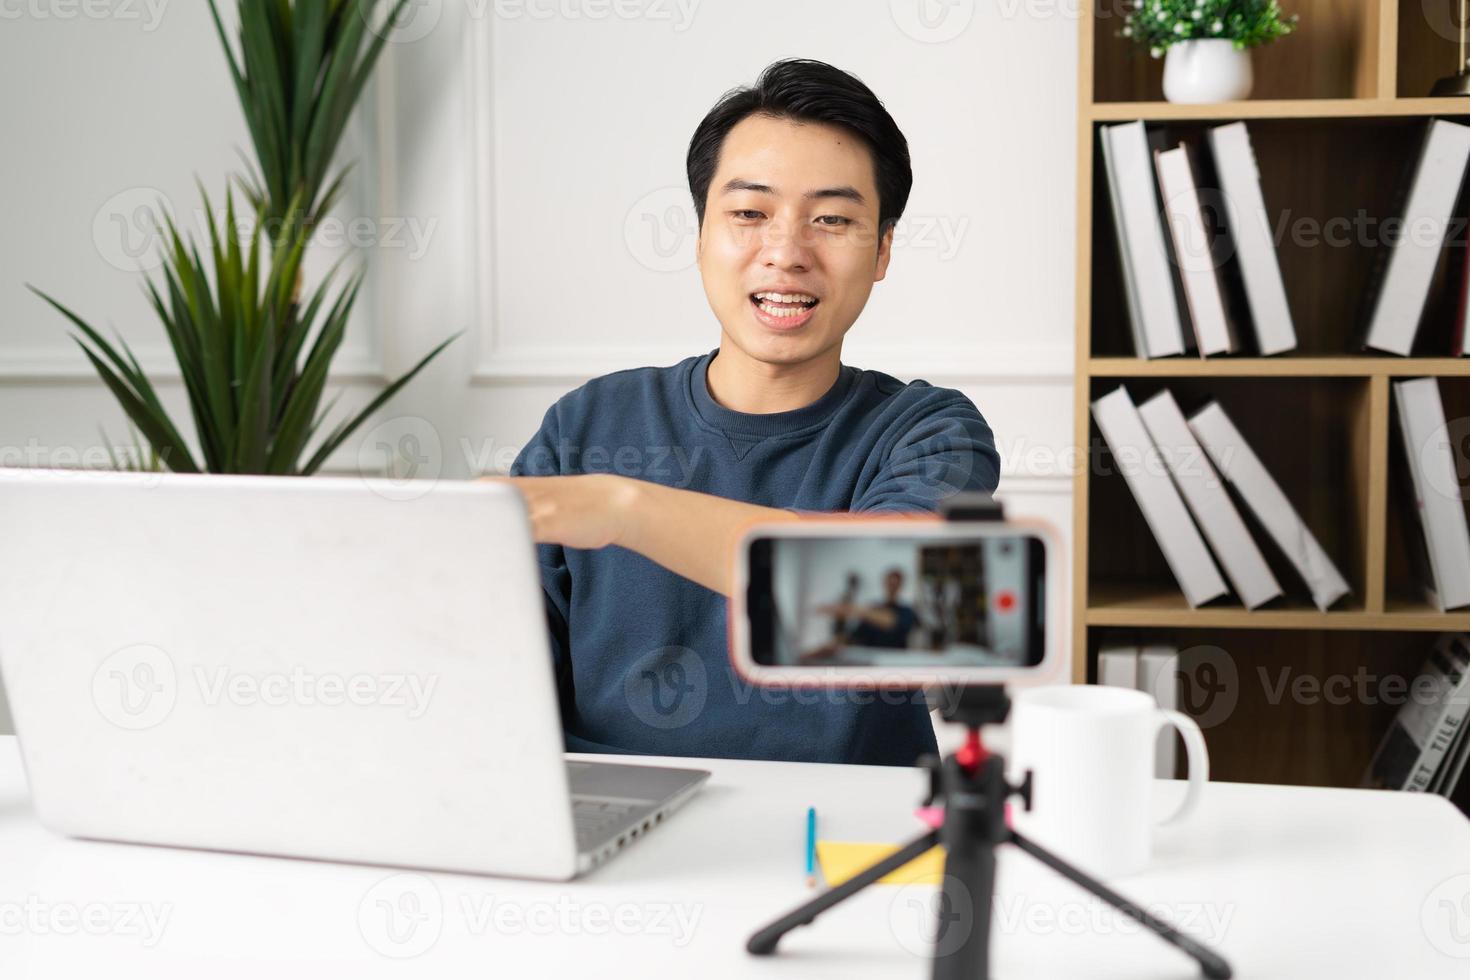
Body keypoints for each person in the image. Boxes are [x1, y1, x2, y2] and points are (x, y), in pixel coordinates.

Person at [489, 59, 1000, 766]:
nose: (786, 253)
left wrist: (622, 510)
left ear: (882, 250)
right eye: (749, 214)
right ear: (701, 237)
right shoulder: (587, 424)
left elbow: (904, 606)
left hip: (844, 837)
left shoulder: (929, 431)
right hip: (604, 824)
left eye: (832, 219)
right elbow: (497, 681)